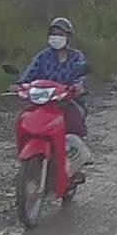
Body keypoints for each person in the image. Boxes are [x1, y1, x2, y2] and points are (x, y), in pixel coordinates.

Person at [16, 17, 91, 182]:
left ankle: (74, 163)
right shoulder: (43, 57)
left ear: (68, 37)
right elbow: (29, 75)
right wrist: (19, 85)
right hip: (43, 102)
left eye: (60, 34)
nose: (56, 37)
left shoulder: (77, 57)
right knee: (26, 119)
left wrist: (78, 86)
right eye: (54, 33)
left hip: (67, 101)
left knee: (74, 120)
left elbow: (81, 77)